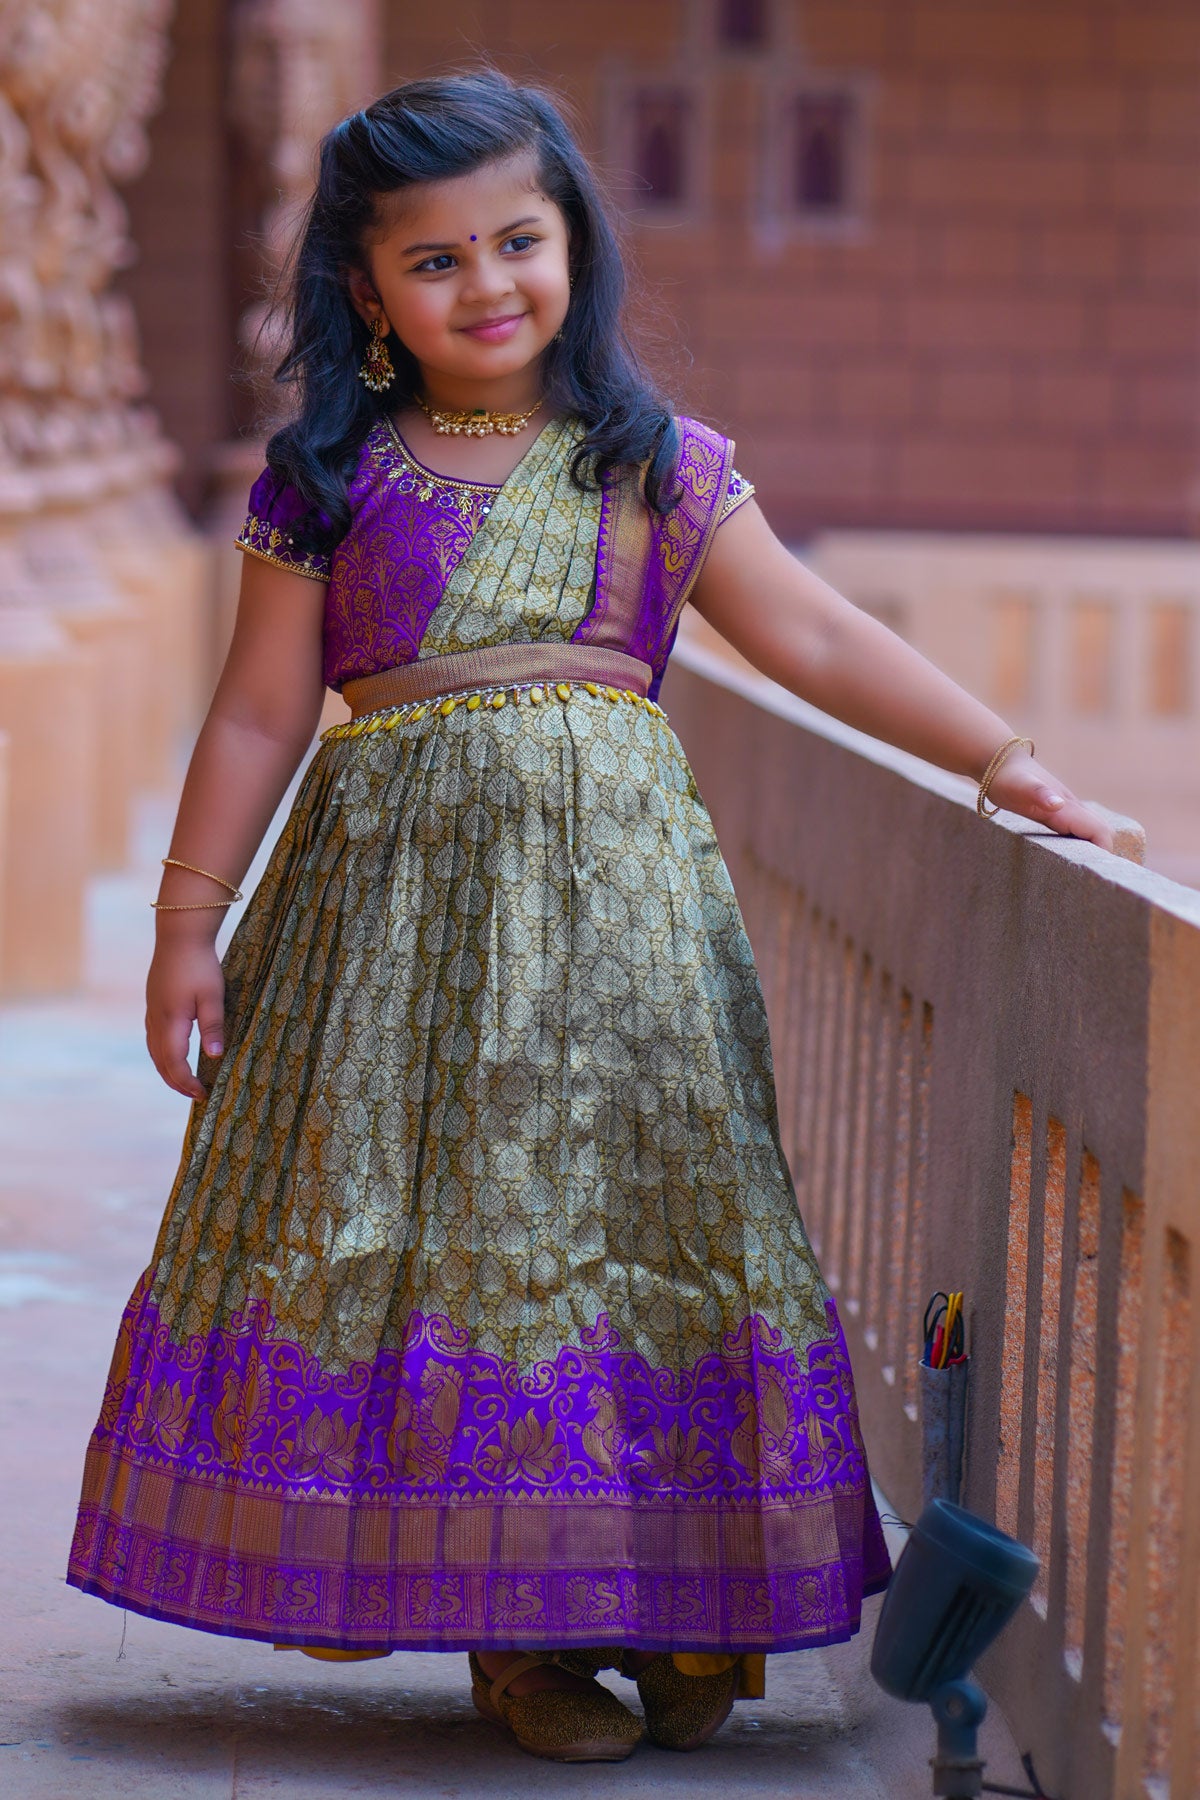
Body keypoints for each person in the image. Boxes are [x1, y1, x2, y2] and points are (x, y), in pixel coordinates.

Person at [65, 70, 1113, 1766]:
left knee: (642, 1230)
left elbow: (819, 643)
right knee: (465, 1250)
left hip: (622, 936)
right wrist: (190, 927)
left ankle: (675, 1607)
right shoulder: (327, 472)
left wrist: (1014, 766)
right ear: (365, 292)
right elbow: (260, 712)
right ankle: (520, 1639)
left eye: (520, 241)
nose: (488, 285)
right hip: (390, 942)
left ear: (577, 244)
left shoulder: (659, 464)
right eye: (436, 261)